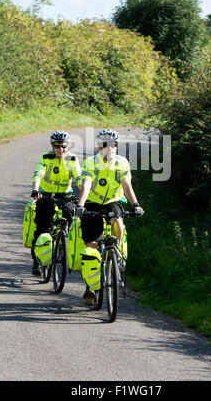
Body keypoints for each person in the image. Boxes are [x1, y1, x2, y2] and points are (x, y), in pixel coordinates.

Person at [77, 129, 144, 305]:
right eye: (106, 145)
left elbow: (126, 184)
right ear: (100, 146)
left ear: (117, 146)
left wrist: (135, 204)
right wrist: (80, 206)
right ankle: (90, 287)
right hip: (92, 203)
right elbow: (86, 184)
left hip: (113, 202)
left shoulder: (122, 162)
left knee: (119, 224)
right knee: (91, 247)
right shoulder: (90, 162)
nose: (110, 148)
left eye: (113, 145)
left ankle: (117, 255)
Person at [30, 130, 81, 275]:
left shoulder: (72, 159)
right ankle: (36, 261)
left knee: (72, 220)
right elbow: (38, 174)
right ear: (52, 146)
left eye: (64, 146)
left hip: (65, 195)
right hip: (45, 195)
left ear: (68, 146)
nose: (61, 150)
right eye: (57, 146)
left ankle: (68, 252)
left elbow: (79, 178)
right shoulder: (46, 157)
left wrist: (85, 194)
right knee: (42, 227)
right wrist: (35, 190)